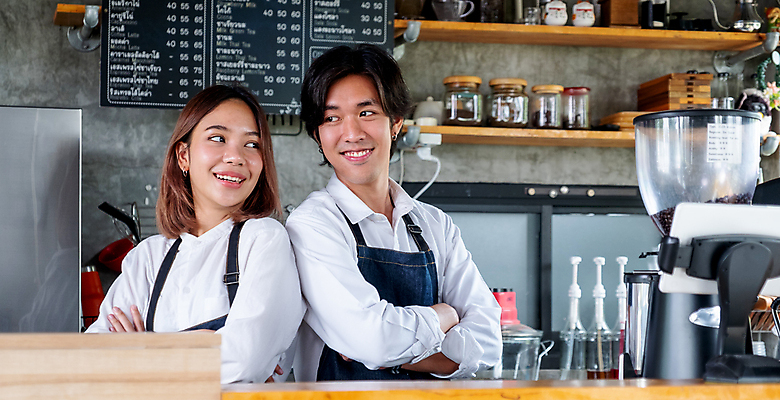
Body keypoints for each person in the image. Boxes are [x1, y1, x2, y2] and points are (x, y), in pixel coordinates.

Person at [286, 44, 502, 381]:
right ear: (318, 134)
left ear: (396, 122)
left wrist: (388, 354)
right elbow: (371, 340)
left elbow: (489, 339)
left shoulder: (435, 225)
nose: (352, 133)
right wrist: (444, 316)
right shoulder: (312, 224)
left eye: (367, 112)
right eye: (332, 118)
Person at [86, 85, 305, 384]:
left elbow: (244, 359)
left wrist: (141, 349)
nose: (236, 157)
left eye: (252, 144)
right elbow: (92, 356)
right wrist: (198, 347)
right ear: (183, 156)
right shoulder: (148, 257)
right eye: (218, 138)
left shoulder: (264, 238)